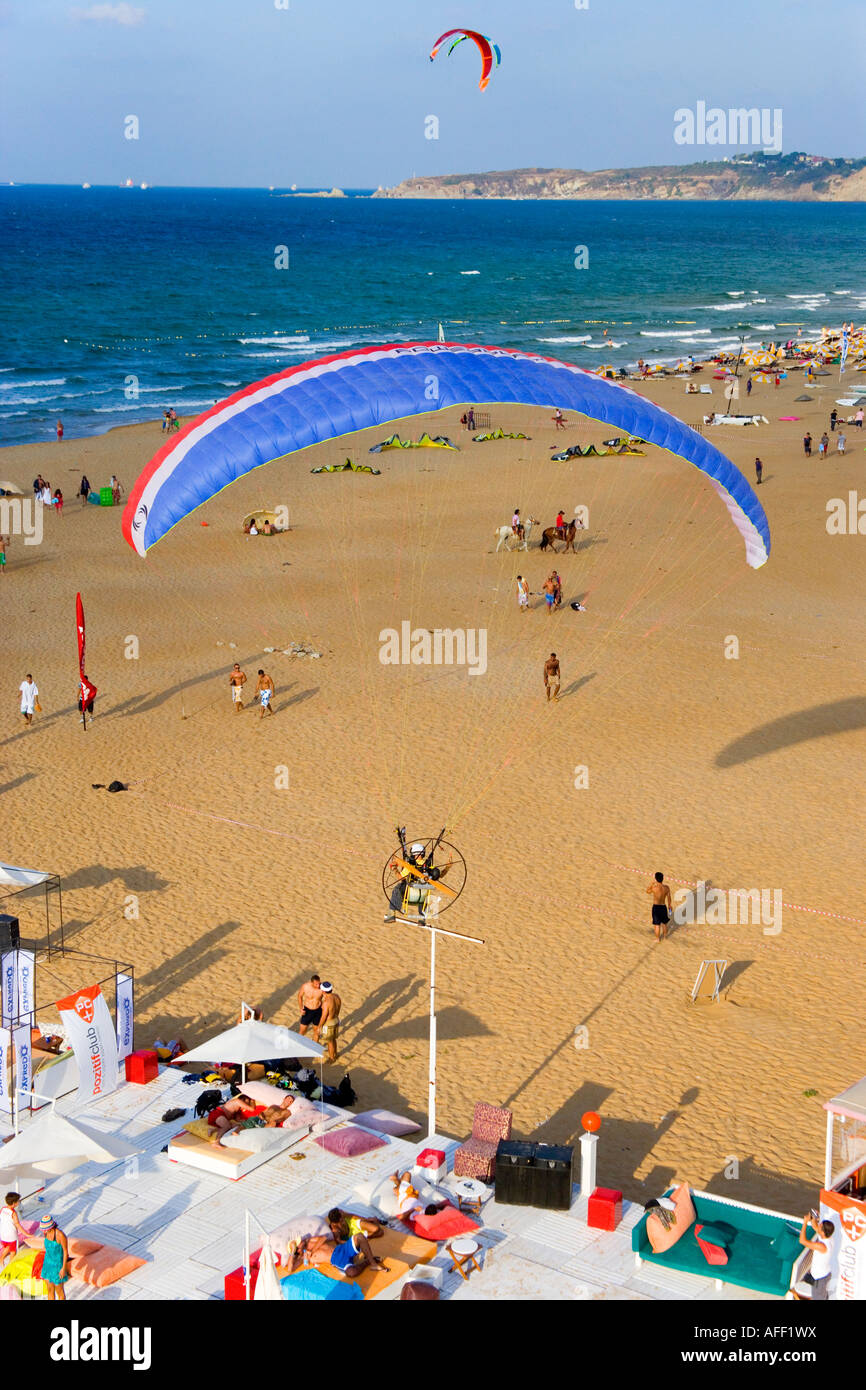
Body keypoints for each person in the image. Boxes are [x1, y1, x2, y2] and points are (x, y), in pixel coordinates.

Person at [326, 1210, 388, 1278]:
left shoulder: (340, 1213)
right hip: (353, 1236)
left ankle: (373, 1221)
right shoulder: (335, 1230)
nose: (343, 1220)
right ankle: (371, 1226)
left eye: (343, 1219)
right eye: (341, 1221)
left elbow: (352, 1216)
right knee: (380, 1233)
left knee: (376, 1229)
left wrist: (365, 1219)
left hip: (352, 1225)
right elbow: (340, 1242)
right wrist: (354, 1243)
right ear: (336, 1223)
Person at [798, 1214, 835, 1300]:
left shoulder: (822, 1246)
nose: (818, 1226)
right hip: (822, 1275)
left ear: (822, 1232)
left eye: (820, 1225)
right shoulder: (828, 1238)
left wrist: (805, 1223)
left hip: (820, 1279)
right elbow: (815, 1226)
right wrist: (814, 1218)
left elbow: (802, 1240)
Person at [39, 1215, 69, 1300]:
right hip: (48, 1264)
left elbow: (66, 1252)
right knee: (50, 1290)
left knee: (59, 1291)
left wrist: (63, 1268)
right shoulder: (46, 1233)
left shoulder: (60, 1235)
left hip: (57, 1266)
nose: (44, 1231)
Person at [319, 981, 342, 1063]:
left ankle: (332, 1058)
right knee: (333, 1039)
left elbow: (324, 1016)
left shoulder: (326, 1002)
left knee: (329, 1041)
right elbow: (338, 1008)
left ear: (323, 991)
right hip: (336, 1019)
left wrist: (320, 1026)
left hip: (329, 1023)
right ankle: (335, 1053)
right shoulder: (337, 997)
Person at [646, 871, 672, 941]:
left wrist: (651, 885)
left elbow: (647, 891)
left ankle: (657, 939)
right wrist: (669, 905)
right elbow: (669, 898)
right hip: (663, 907)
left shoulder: (655, 888)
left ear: (656, 879)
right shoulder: (666, 888)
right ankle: (665, 936)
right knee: (664, 923)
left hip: (656, 907)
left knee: (657, 925)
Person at [1, 1192, 26, 1265]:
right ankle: (10, 1266)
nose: (19, 1202)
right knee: (13, 1251)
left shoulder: (3, 1209)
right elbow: (18, 1225)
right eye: (18, 1201)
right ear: (14, 1203)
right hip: (11, 1236)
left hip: (3, 1235)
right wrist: (27, 1234)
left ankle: (1, 1259)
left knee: (7, 1247)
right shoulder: (13, 1213)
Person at [298, 974, 324, 1040]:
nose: (318, 986)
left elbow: (328, 998)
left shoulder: (322, 988)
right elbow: (300, 996)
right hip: (307, 1011)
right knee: (302, 1031)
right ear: (312, 982)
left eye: (319, 983)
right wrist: (301, 1008)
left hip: (318, 1011)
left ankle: (315, 1046)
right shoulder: (305, 986)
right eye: (316, 984)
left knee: (316, 1031)